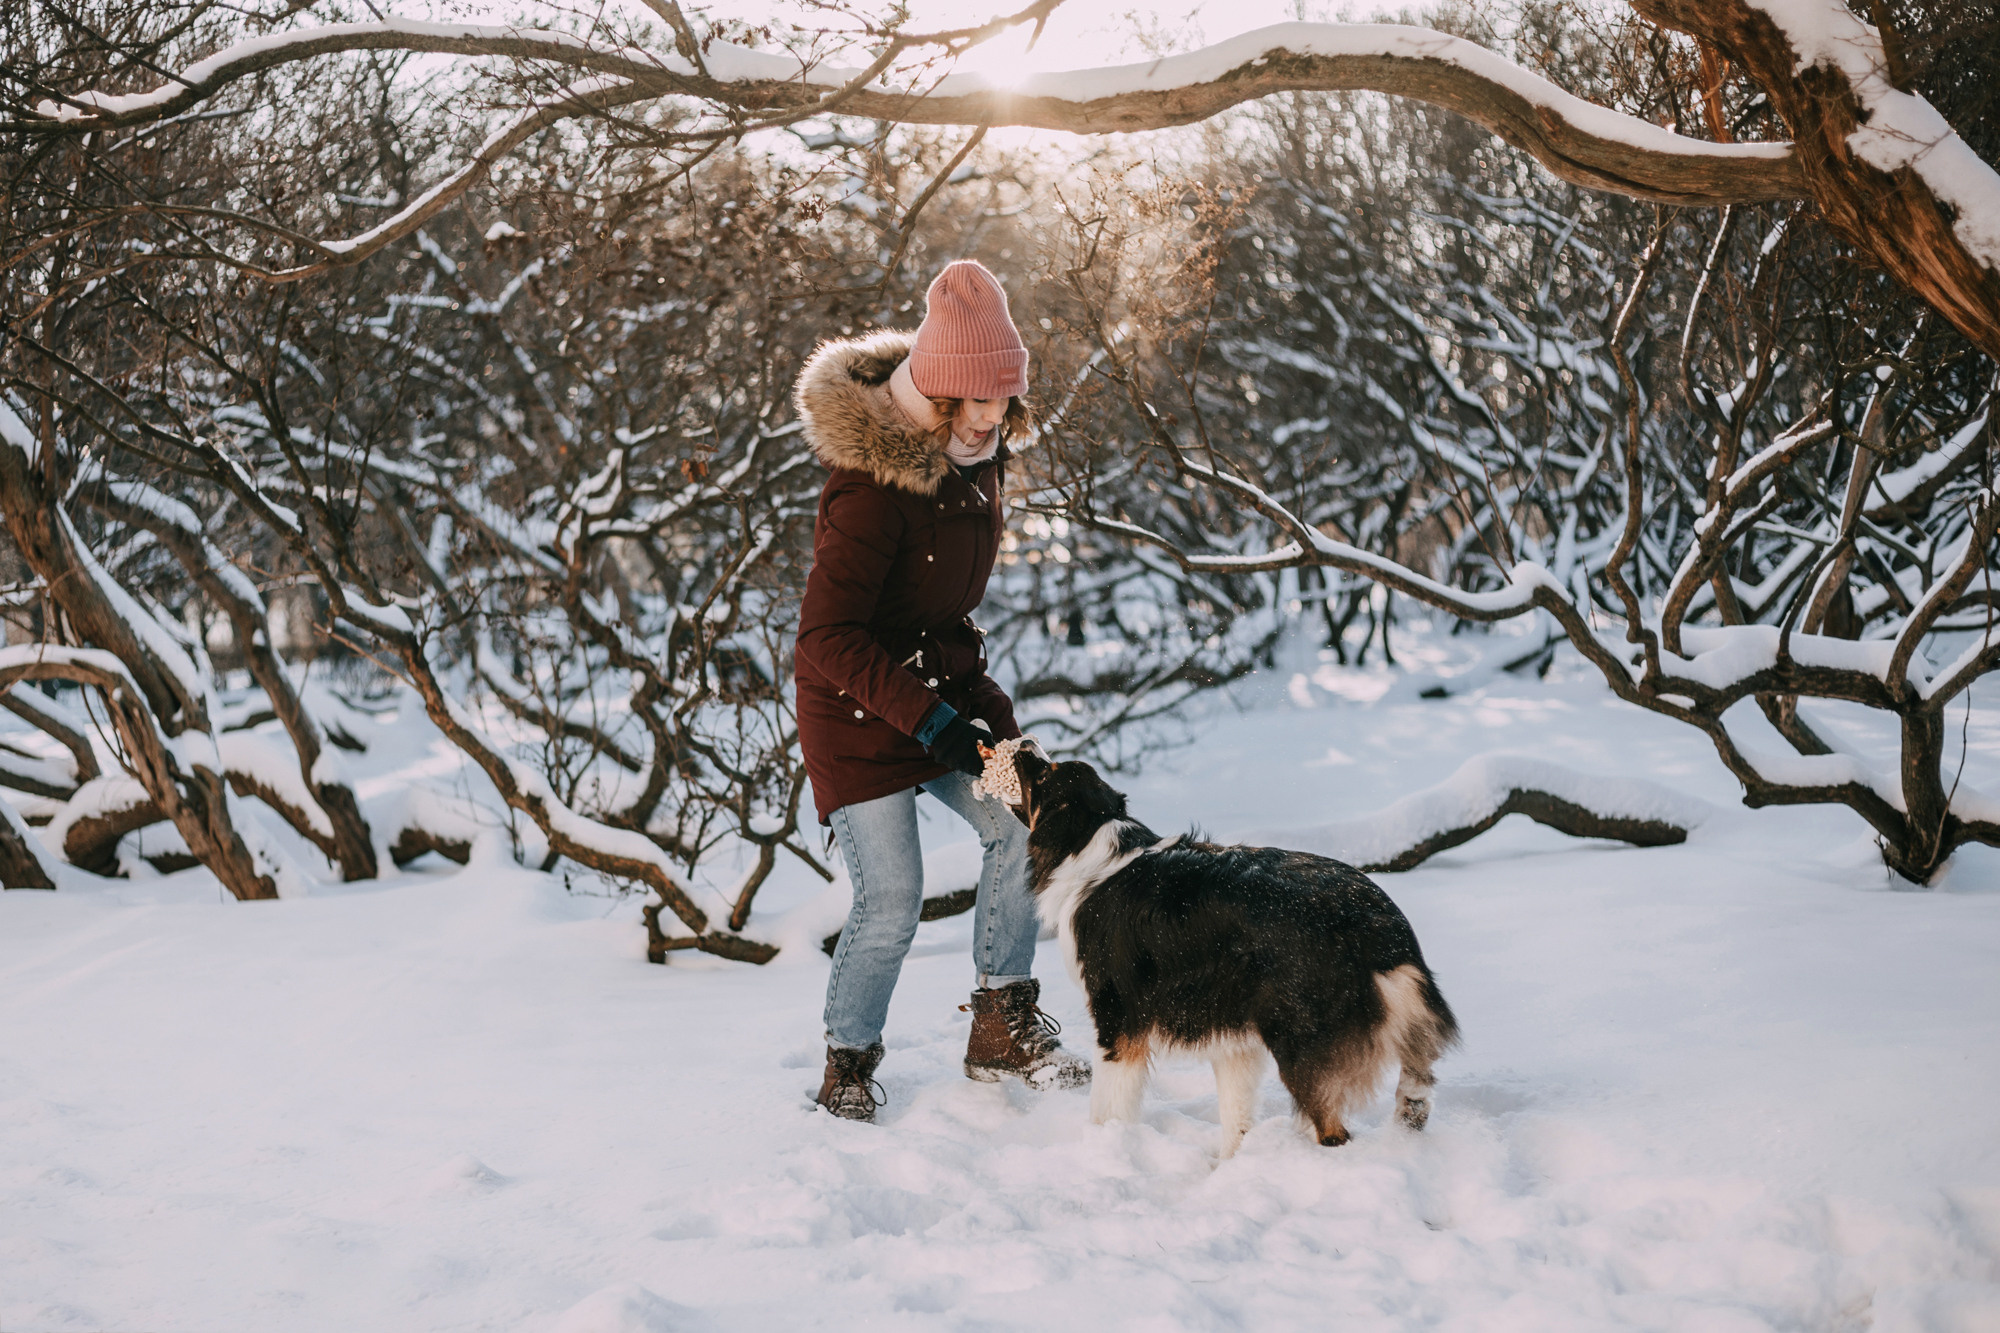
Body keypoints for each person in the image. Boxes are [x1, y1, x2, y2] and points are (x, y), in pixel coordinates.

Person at [793, 260, 1089, 1122]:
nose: (996, 421)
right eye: (981, 403)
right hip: (854, 711)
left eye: (1006, 403)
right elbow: (825, 638)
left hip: (944, 706)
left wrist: (1002, 736)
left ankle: (1001, 1020)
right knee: (893, 897)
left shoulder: (978, 463)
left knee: (1021, 819)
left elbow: (947, 624)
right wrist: (938, 723)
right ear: (938, 395)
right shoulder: (866, 489)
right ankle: (847, 1062)